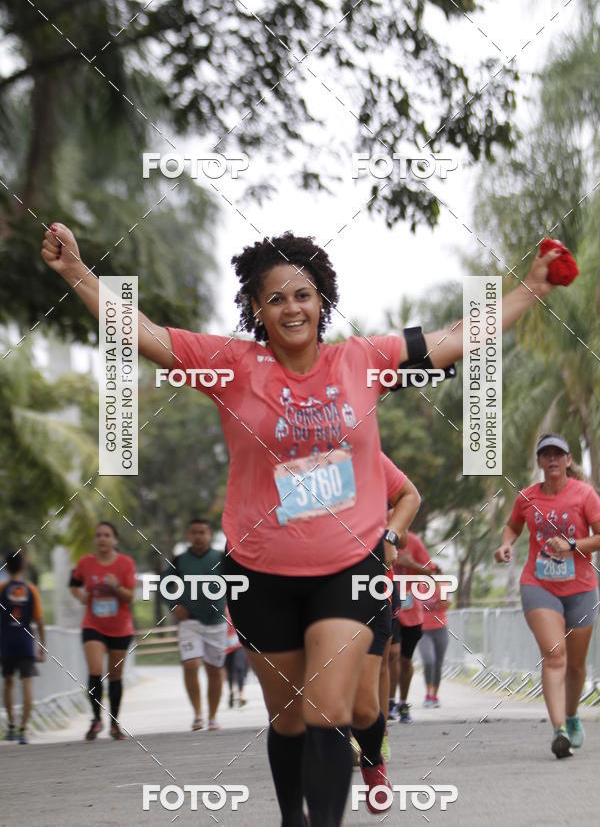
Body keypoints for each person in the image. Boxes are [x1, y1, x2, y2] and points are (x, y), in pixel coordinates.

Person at [42, 222, 560, 826]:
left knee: (328, 709)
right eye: (276, 297)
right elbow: (148, 335)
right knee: (288, 718)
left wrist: (527, 289)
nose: (292, 307)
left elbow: (456, 337)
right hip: (261, 574)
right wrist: (78, 273)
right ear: (257, 310)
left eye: (304, 294)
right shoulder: (231, 365)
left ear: (323, 301)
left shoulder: (364, 361)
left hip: (349, 568)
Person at [494, 433, 600, 759]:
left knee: (577, 666)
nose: (552, 459)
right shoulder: (526, 498)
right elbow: (512, 526)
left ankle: (571, 715)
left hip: (580, 587)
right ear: (539, 462)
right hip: (538, 585)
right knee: (555, 655)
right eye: (546, 454)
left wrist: (573, 547)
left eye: (558, 454)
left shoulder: (585, 495)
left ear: (568, 460)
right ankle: (559, 731)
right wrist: (506, 544)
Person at [350, 453, 420, 811]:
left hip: (375, 584)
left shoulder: (368, 453)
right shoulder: (294, 454)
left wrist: (392, 535)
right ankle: (347, 737)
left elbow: (409, 498)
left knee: (376, 671)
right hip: (318, 583)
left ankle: (375, 744)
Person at [69, 521, 136, 741]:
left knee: (115, 675)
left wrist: (116, 586)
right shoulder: (86, 563)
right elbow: (73, 583)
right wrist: (81, 596)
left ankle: (114, 723)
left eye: (107, 535)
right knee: (95, 670)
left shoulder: (125, 564)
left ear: (115, 539)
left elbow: (130, 596)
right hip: (93, 624)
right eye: (98, 535)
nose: (102, 539)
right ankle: (96, 719)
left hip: (120, 627)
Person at [162, 518, 227, 730]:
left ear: (210, 534)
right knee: (191, 665)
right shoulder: (179, 560)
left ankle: (213, 716)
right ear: (188, 536)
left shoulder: (221, 557)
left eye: (202, 532)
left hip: (216, 622)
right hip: (190, 622)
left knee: (214, 671)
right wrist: (173, 605)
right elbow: (163, 584)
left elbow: (238, 582)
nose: (198, 536)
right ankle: (198, 713)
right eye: (194, 533)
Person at [389, 530, 436, 723]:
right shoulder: (378, 537)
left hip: (412, 610)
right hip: (389, 606)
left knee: (405, 660)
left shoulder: (414, 542)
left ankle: (402, 703)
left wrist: (410, 564)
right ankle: (389, 702)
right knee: (393, 654)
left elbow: (431, 572)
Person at [0, 551, 46, 744]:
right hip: (26, 643)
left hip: (6, 642)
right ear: (23, 567)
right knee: (27, 684)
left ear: (6, 567)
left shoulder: (1, 589)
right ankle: (23, 729)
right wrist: (42, 644)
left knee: (8, 682)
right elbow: (40, 620)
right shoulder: (31, 589)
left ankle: (10, 725)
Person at [419, 582, 450, 707]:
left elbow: (446, 604)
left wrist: (438, 588)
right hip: (423, 631)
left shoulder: (442, 586)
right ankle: (427, 693)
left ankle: (434, 695)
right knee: (428, 660)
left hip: (440, 629)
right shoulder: (417, 586)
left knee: (438, 664)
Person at [225, 607, 249, 708]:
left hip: (239, 643)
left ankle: (241, 694)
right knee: (230, 670)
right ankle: (231, 692)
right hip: (225, 644)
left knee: (240, 667)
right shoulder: (219, 604)